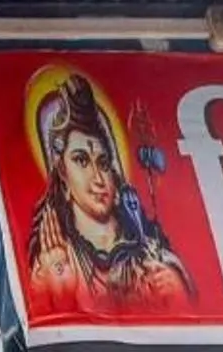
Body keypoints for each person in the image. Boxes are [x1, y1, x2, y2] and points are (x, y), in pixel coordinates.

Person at [23, 73, 193, 318]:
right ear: (62, 173)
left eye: (103, 163)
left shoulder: (147, 249)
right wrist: (59, 282)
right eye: (81, 160)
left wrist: (175, 290)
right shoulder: (56, 258)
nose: (98, 178)